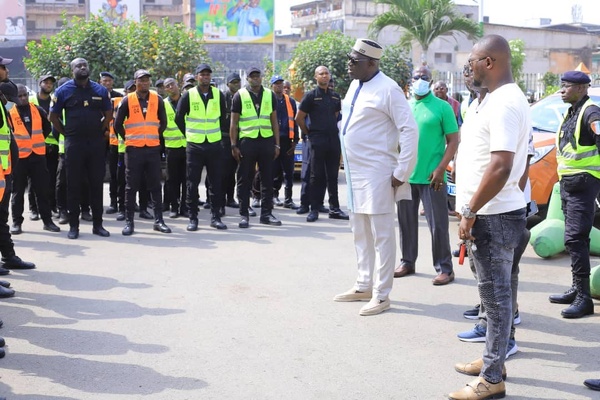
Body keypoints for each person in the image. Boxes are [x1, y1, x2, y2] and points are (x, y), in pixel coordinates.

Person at [449, 34, 529, 400]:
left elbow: (501, 165)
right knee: (501, 295)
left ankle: (492, 378)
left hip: (493, 217)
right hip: (495, 213)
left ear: (490, 63)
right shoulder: (492, 100)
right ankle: (493, 360)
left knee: (494, 301)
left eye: (474, 60)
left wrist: (469, 210)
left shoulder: (505, 102)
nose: (470, 67)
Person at [333, 39, 418, 316]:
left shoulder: (389, 89)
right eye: (349, 58)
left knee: (382, 236)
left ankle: (382, 295)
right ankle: (363, 285)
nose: (349, 63)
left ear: (371, 63)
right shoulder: (356, 84)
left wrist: (401, 172)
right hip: (355, 173)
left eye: (354, 60)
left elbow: (409, 130)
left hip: (379, 173)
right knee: (359, 232)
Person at [394, 65, 459, 285]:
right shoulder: (404, 106)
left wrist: (441, 168)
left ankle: (445, 268)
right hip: (406, 176)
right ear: (410, 81)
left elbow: (453, 141)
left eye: (425, 77)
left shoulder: (442, 107)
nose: (420, 80)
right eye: (416, 77)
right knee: (406, 222)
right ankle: (407, 261)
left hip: (433, 177)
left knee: (438, 225)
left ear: (431, 82)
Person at [548, 70, 600, 319]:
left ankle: (584, 299)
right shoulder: (572, 111)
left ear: (581, 88)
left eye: (566, 86)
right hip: (569, 184)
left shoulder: (591, 112)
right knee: (576, 240)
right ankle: (577, 289)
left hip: (585, 184)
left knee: (575, 239)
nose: (562, 90)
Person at [49, 58, 112, 239]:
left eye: (85, 64)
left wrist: (99, 129)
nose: (83, 67)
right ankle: (74, 227)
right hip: (74, 144)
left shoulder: (100, 90)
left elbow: (108, 114)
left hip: (95, 144)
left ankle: (98, 225)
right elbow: (53, 117)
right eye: (78, 65)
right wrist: (66, 133)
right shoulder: (62, 91)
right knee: (73, 185)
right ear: (72, 70)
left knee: (96, 184)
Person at [114, 69, 171, 236]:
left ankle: (159, 220)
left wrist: (154, 137)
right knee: (131, 187)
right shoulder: (127, 100)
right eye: (141, 80)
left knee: (155, 185)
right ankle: (129, 222)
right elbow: (117, 124)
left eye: (147, 80)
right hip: (133, 150)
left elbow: (164, 122)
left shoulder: (157, 99)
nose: (144, 83)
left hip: (152, 148)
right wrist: (129, 139)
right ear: (135, 82)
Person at [174, 63, 227, 231]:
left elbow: (223, 119)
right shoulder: (188, 95)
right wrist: (189, 135)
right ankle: (193, 218)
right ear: (197, 77)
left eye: (208, 74)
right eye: (202, 74)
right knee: (192, 183)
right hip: (195, 145)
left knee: (216, 182)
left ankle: (216, 217)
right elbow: (179, 118)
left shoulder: (219, 95)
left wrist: (218, 137)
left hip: (213, 144)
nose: (205, 77)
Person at [230, 66, 281, 228]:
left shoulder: (269, 94)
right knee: (245, 179)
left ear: (261, 77)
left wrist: (277, 144)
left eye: (257, 76)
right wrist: (233, 145)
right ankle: (244, 214)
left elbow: (274, 121)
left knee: (267, 179)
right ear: (248, 79)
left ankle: (266, 214)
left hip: (266, 141)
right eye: (252, 77)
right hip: (247, 142)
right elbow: (234, 123)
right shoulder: (240, 95)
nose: (255, 79)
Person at [296, 66, 348, 223]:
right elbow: (299, 118)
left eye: (326, 73)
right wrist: (309, 133)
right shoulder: (310, 96)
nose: (324, 76)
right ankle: (314, 209)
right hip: (317, 139)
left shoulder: (335, 97)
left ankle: (335, 208)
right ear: (316, 77)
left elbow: (336, 116)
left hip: (332, 139)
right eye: (321, 74)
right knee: (315, 175)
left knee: (333, 175)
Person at [0, 56, 36, 272]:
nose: (6, 70)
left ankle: (9, 257)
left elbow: (11, 89)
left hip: (5, 170)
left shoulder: (3, 93)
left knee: (1, 218)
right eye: (2, 67)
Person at [9, 84, 60, 234]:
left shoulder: (38, 110)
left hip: (38, 156)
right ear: (14, 98)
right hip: (20, 158)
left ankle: (47, 221)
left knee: (42, 190)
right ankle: (17, 223)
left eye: (25, 95)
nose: (23, 98)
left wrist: (36, 142)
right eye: (20, 96)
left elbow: (46, 128)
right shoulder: (10, 114)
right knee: (17, 192)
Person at [28, 74, 59, 219]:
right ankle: (34, 209)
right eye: (46, 82)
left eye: (51, 83)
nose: (48, 85)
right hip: (35, 146)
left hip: (52, 145)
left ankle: (51, 206)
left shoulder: (55, 100)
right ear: (40, 83)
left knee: (51, 178)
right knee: (34, 179)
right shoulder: (31, 101)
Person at [270, 75, 299, 209]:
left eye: (281, 84)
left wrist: (295, 141)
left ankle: (288, 199)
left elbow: (295, 120)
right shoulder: (269, 100)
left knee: (289, 172)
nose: (280, 86)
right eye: (277, 84)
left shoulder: (290, 101)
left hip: (287, 140)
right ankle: (274, 196)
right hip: (273, 141)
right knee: (274, 171)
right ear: (272, 86)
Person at [100, 71, 125, 216]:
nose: (107, 83)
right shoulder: (96, 95)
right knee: (101, 172)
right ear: (100, 82)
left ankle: (118, 202)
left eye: (109, 81)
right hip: (101, 139)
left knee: (117, 173)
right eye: (104, 81)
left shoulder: (119, 97)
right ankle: (111, 202)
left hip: (116, 141)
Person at [162, 77, 187, 219]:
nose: (171, 87)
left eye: (172, 84)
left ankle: (184, 207)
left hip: (187, 145)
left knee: (186, 179)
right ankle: (174, 207)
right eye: (167, 86)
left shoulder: (186, 100)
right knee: (172, 179)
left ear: (178, 85)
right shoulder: (163, 103)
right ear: (165, 89)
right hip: (171, 147)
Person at [222, 72, 241, 210]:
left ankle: (230, 197)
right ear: (228, 84)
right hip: (223, 138)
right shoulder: (222, 97)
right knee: (223, 170)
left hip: (238, 137)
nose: (236, 84)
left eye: (238, 82)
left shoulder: (242, 97)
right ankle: (220, 199)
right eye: (233, 82)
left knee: (233, 170)